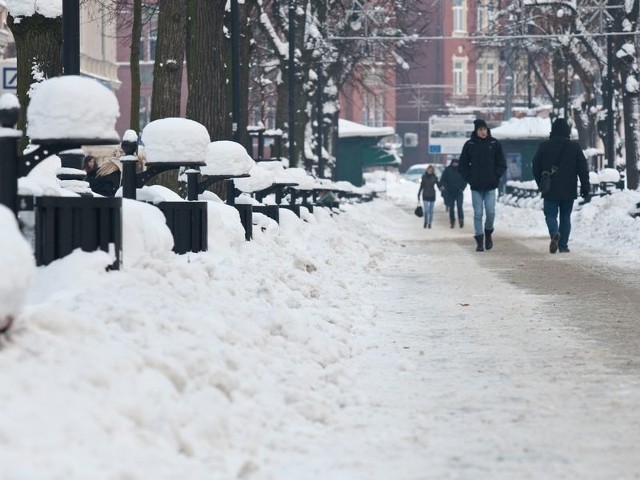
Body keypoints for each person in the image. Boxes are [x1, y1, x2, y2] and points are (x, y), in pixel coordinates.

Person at [532, 117, 590, 254]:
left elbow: (535, 166)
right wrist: (585, 186)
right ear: (567, 131)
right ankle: (563, 246)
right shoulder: (574, 147)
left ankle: (554, 233)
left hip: (550, 187)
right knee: (565, 216)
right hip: (569, 188)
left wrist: (540, 181)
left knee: (551, 215)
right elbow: (583, 168)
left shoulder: (544, 146)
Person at [458, 118, 507, 252]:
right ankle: (479, 240)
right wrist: (470, 178)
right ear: (476, 130)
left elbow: (502, 163)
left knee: (490, 212)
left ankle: (488, 233)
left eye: (484, 129)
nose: (483, 132)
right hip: (476, 186)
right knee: (478, 213)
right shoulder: (470, 145)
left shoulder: (494, 143)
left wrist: (496, 176)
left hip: (491, 185)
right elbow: (462, 165)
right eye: (480, 129)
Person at [439, 157, 467, 228]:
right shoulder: (447, 170)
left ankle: (461, 219)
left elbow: (465, 180)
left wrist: (462, 188)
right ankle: (452, 221)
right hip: (450, 192)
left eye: (456, 163)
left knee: (459, 206)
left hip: (459, 192)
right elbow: (443, 180)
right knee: (451, 207)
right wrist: (444, 187)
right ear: (451, 163)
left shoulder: (461, 170)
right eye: (454, 163)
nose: (455, 164)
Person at [417, 165, 441, 229]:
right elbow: (421, 186)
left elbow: (438, 185)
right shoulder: (424, 177)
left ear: (432, 171)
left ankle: (430, 223)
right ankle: (425, 221)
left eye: (431, 170)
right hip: (425, 194)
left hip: (432, 194)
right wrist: (418, 194)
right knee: (426, 210)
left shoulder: (434, 177)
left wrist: (442, 188)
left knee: (431, 210)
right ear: (427, 170)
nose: (430, 171)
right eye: (429, 169)